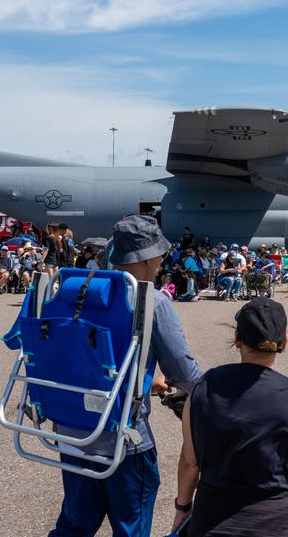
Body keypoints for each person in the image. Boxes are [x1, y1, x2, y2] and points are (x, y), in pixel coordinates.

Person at [49, 214, 203, 537]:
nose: (163, 259)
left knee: (74, 525)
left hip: (74, 431)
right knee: (131, 529)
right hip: (124, 440)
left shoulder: (78, 290)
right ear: (149, 257)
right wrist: (214, 391)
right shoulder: (151, 300)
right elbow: (184, 372)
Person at [173, 298, 288, 535]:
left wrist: (182, 507)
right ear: (284, 342)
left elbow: (190, 462)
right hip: (275, 522)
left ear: (238, 340)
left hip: (211, 519)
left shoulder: (204, 388)